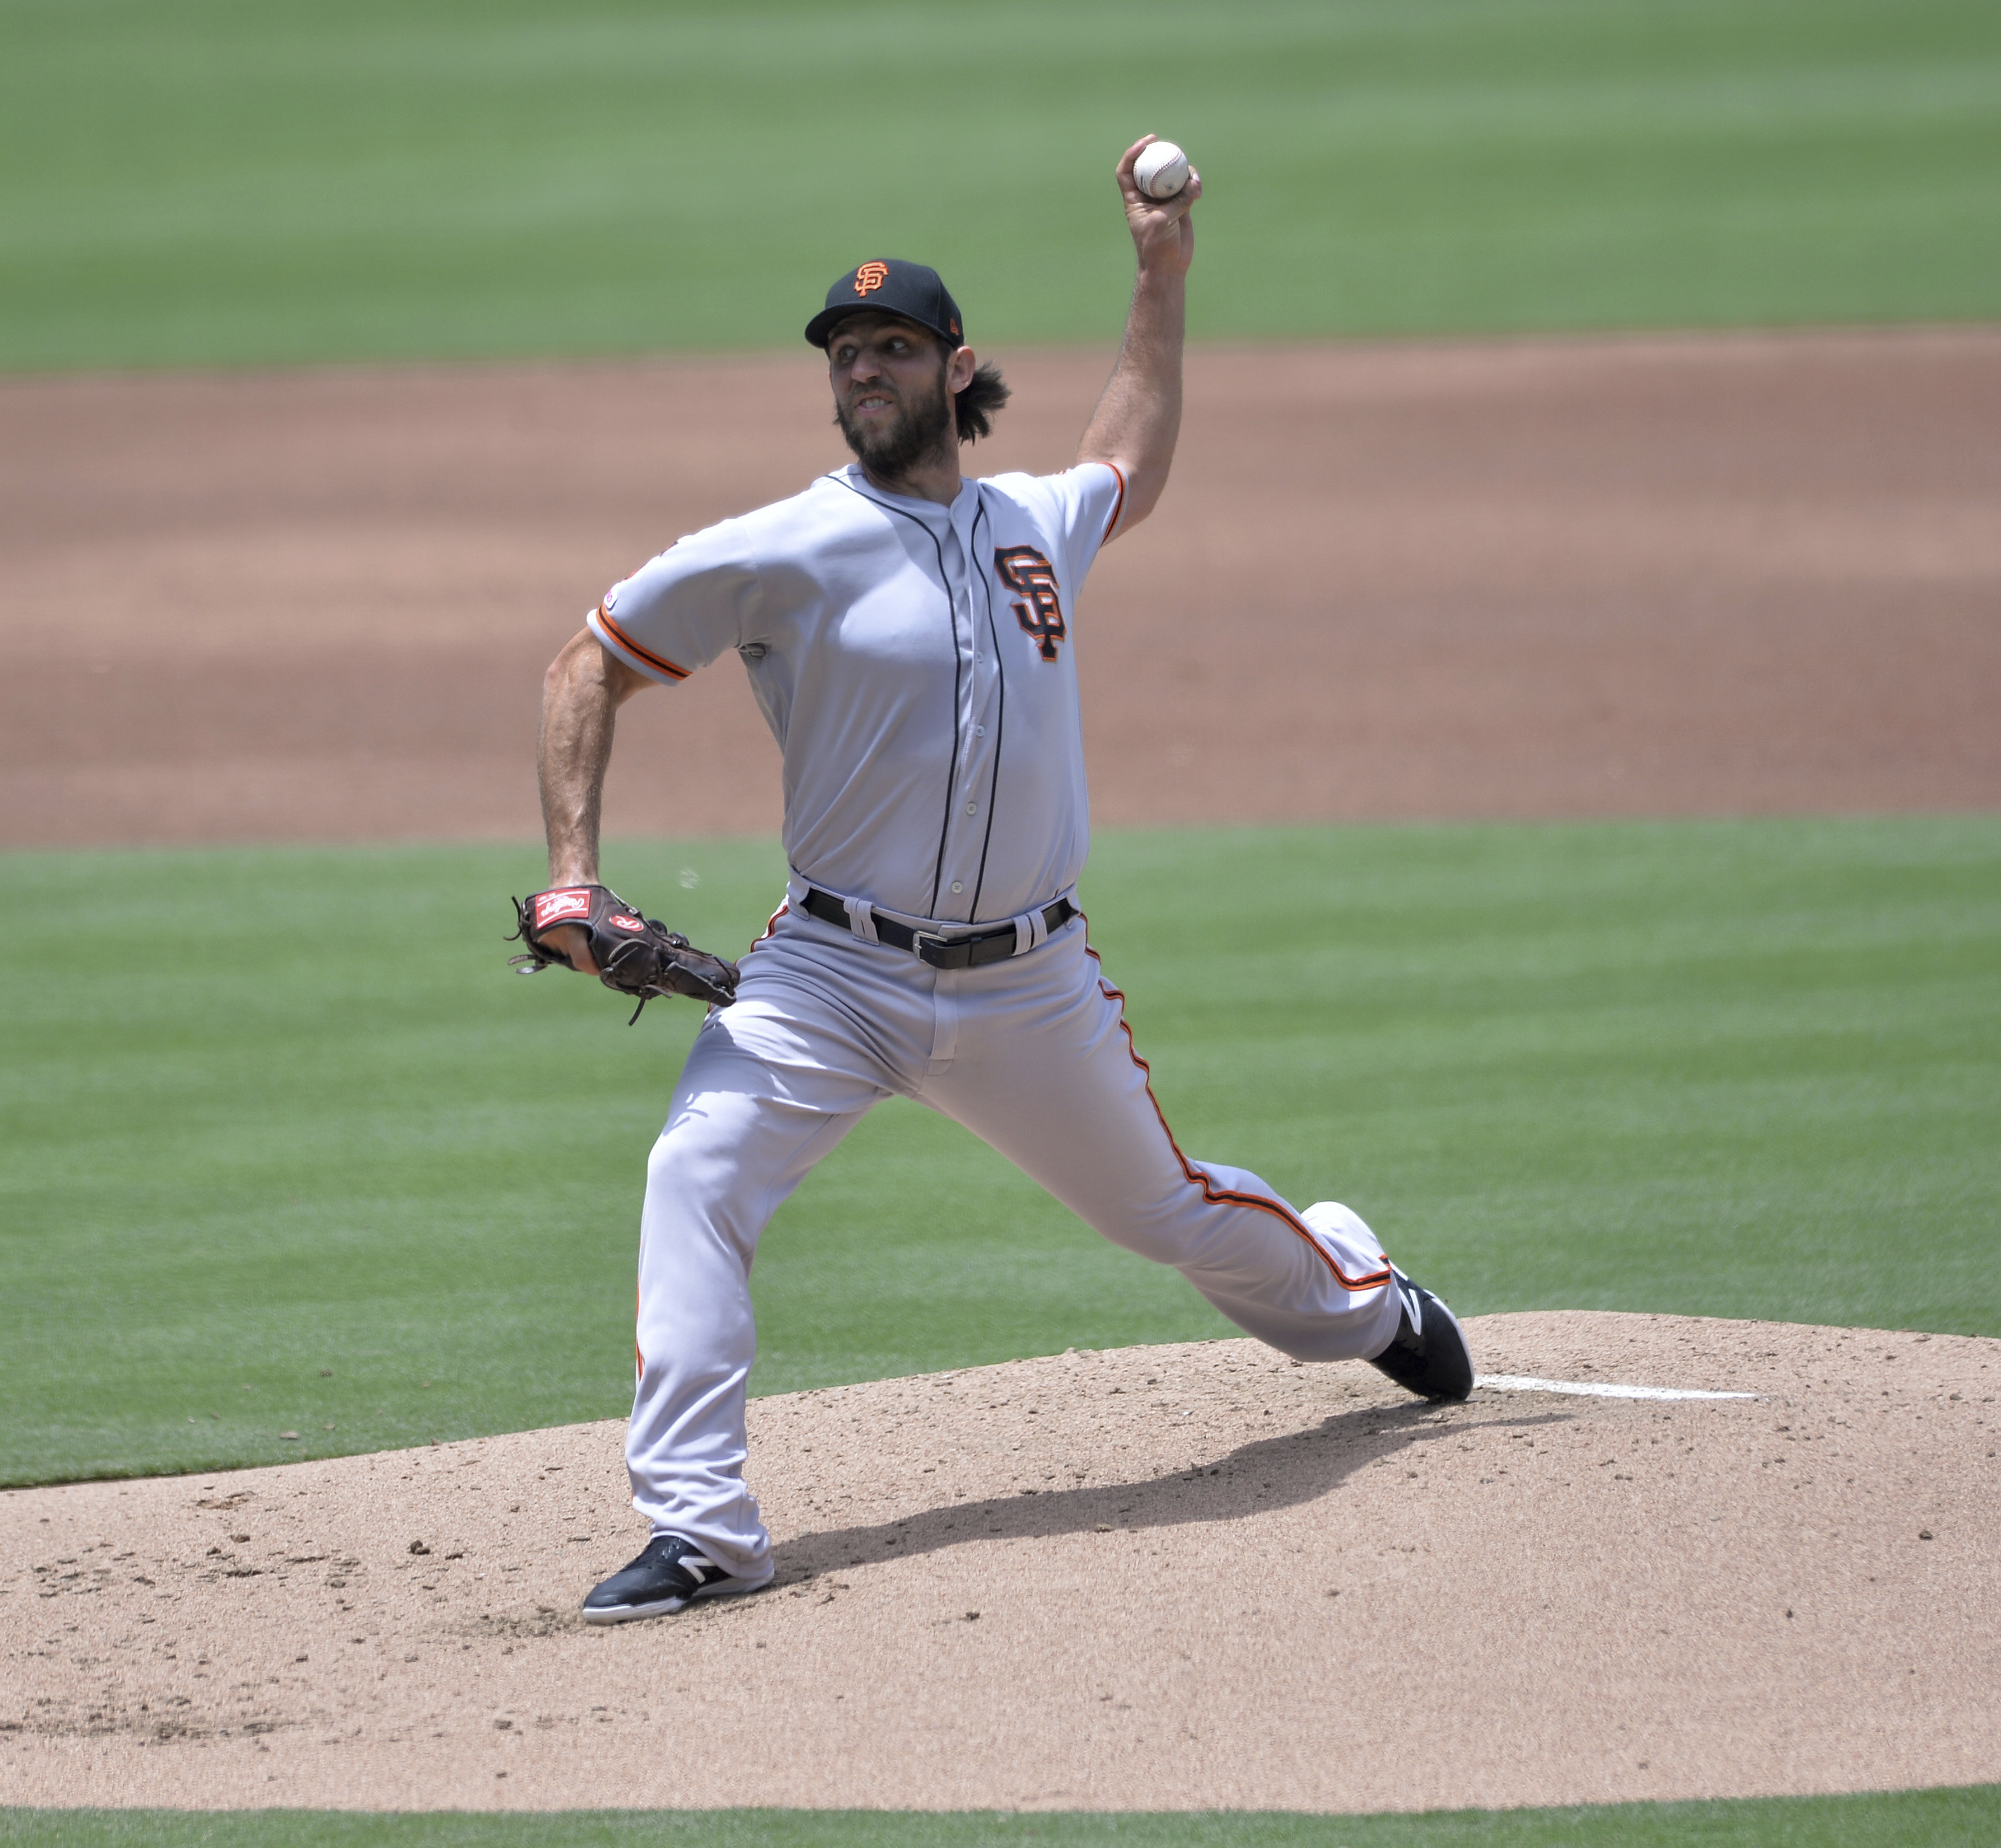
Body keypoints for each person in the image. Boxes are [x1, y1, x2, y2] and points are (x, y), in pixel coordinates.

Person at [531, 137, 1473, 1626]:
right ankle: (704, 1529)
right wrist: (573, 877)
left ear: (954, 367)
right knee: (693, 1175)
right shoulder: (783, 547)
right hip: (832, 972)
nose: (864, 373)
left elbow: (1130, 457)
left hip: (1031, 981)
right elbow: (592, 657)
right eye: (845, 354)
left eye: (893, 347)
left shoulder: (1033, 521)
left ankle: (1366, 1294)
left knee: (1170, 1213)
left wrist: (1161, 274)